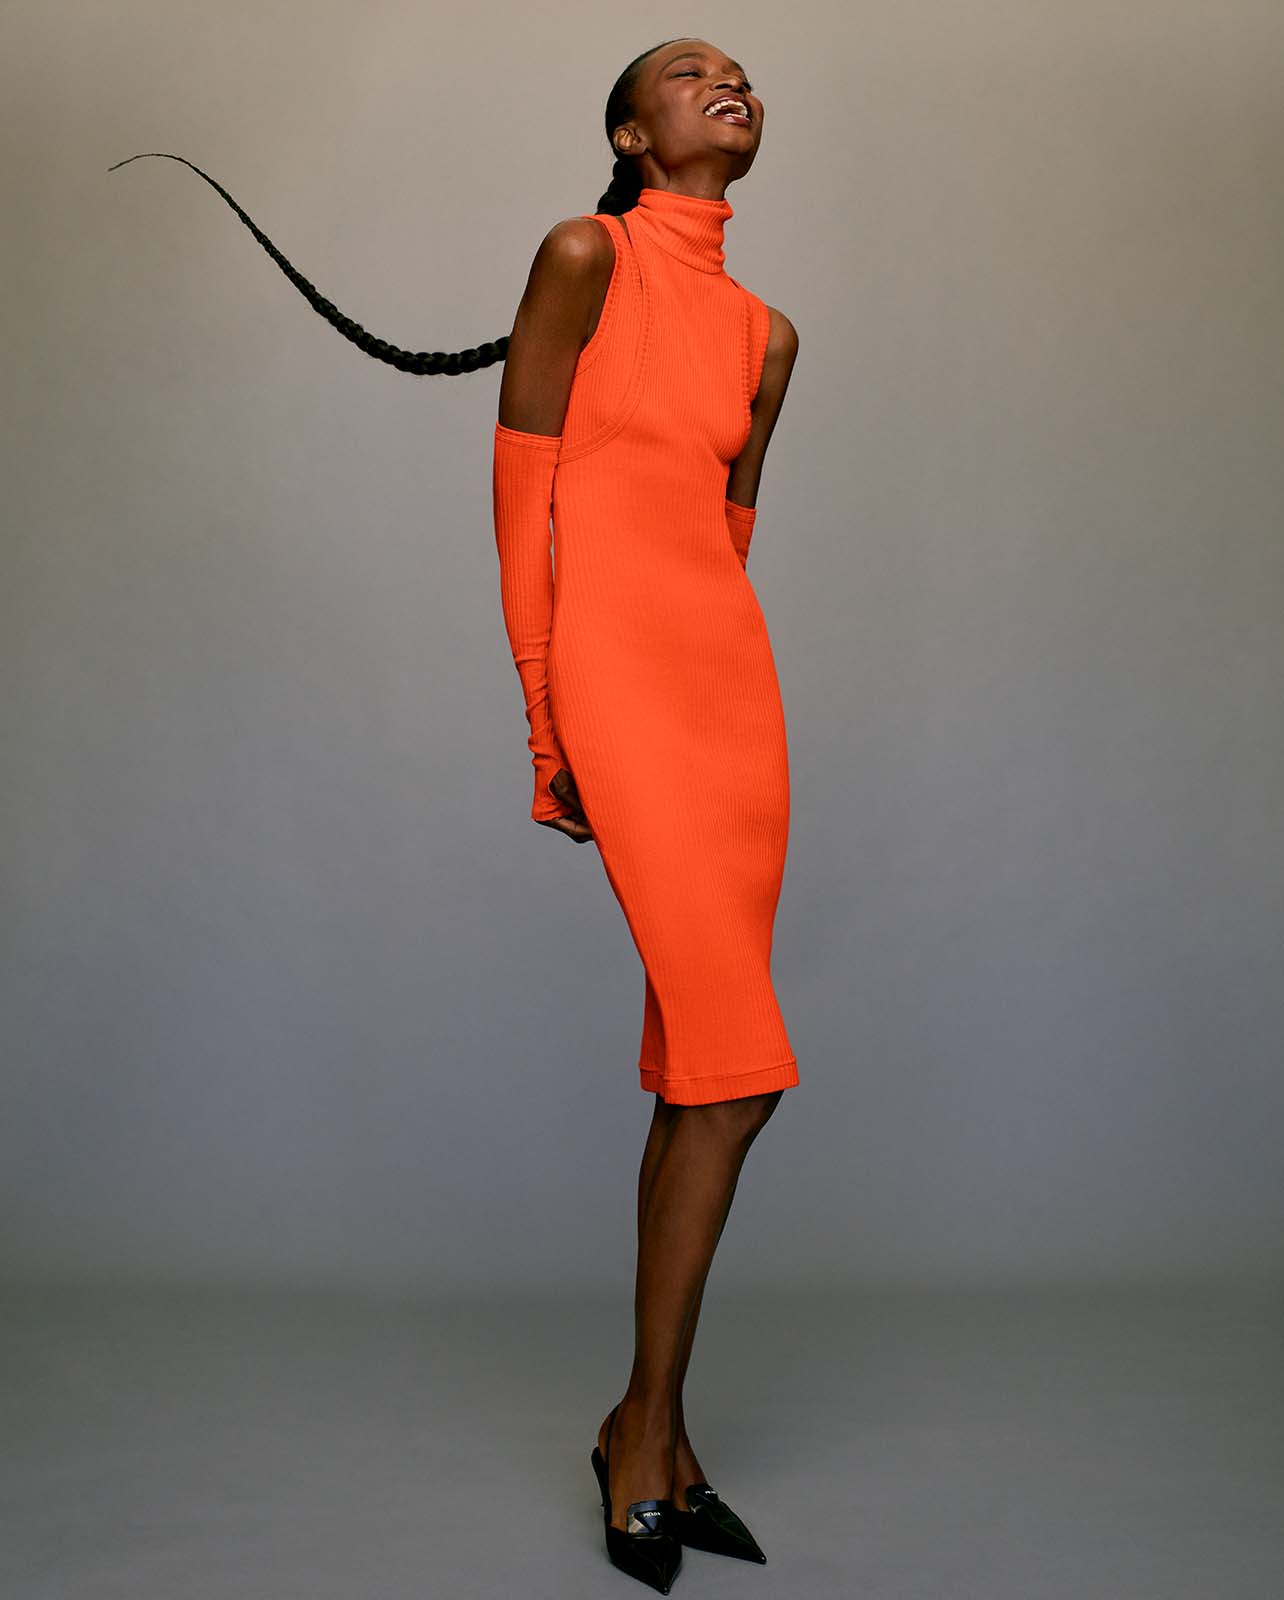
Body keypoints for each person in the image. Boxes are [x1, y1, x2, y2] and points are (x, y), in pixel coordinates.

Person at [108, 35, 800, 1594]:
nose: (729, 83)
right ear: (631, 130)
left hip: (732, 706)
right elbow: (526, 501)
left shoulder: (770, 337)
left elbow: (729, 539)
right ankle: (643, 1431)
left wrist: (704, 708)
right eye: (691, 74)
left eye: (745, 71)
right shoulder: (582, 255)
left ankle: (655, 1434)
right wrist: (551, 714)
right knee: (740, 1071)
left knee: (706, 1072)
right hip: (618, 686)